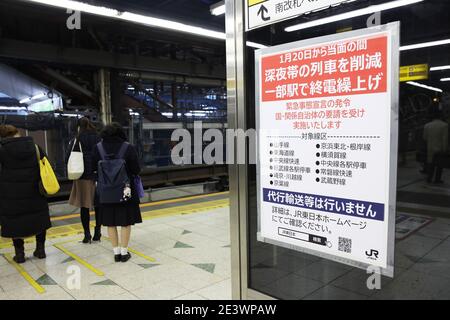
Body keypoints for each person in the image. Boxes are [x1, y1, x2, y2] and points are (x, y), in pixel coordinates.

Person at [0, 125, 51, 263]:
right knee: (39, 219)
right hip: (35, 191)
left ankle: (20, 254)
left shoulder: (2, 150)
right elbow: (46, 164)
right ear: (17, 133)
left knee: (15, 222)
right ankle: (40, 250)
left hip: (10, 195)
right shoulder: (34, 147)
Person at [93, 123, 142, 262]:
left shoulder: (98, 148)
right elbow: (136, 170)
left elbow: (92, 169)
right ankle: (124, 252)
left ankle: (116, 253)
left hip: (105, 190)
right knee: (125, 221)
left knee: (110, 222)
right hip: (125, 189)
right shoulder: (128, 148)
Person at [67, 117, 102, 243]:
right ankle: (98, 232)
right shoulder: (98, 137)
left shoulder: (77, 139)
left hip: (82, 176)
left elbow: (68, 157)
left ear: (78, 126)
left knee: (84, 207)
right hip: (97, 175)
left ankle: (87, 235)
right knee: (98, 205)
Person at [423, 106, 449, 183]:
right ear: (441, 117)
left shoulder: (427, 125)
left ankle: (429, 178)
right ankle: (437, 179)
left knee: (431, 164)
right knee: (439, 165)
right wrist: (445, 149)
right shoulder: (444, 125)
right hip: (439, 149)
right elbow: (445, 139)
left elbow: (424, 138)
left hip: (430, 148)